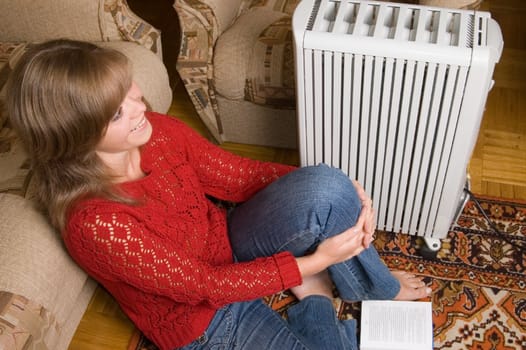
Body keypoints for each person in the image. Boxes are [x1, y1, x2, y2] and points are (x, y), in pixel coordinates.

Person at [6, 39, 431, 350]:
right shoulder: (96, 223)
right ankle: (315, 299)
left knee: (328, 186)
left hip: (226, 243)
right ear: (77, 138)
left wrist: (339, 187)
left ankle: (375, 289)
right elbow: (202, 286)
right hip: (202, 319)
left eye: (128, 89)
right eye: (118, 112)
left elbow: (240, 175)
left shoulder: (153, 131)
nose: (140, 108)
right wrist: (315, 262)